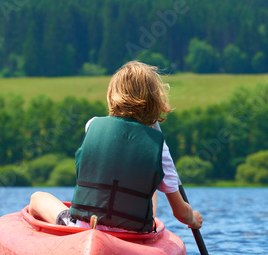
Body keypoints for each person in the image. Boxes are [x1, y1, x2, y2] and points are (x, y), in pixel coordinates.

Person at [29, 61, 203, 232]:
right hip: (132, 234)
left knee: (37, 198)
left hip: (85, 226)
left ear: (113, 96)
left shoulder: (92, 125)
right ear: (154, 101)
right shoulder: (159, 147)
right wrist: (193, 218)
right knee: (151, 185)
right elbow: (181, 213)